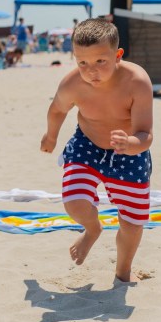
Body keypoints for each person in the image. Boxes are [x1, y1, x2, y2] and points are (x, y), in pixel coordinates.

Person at [40, 18, 153, 283]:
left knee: (132, 223)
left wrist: (130, 144)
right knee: (74, 202)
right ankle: (92, 230)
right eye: (83, 63)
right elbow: (57, 109)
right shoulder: (72, 84)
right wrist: (51, 135)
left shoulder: (137, 81)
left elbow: (146, 134)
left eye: (101, 61)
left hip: (130, 152)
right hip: (86, 145)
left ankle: (122, 271)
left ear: (118, 55)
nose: (92, 71)